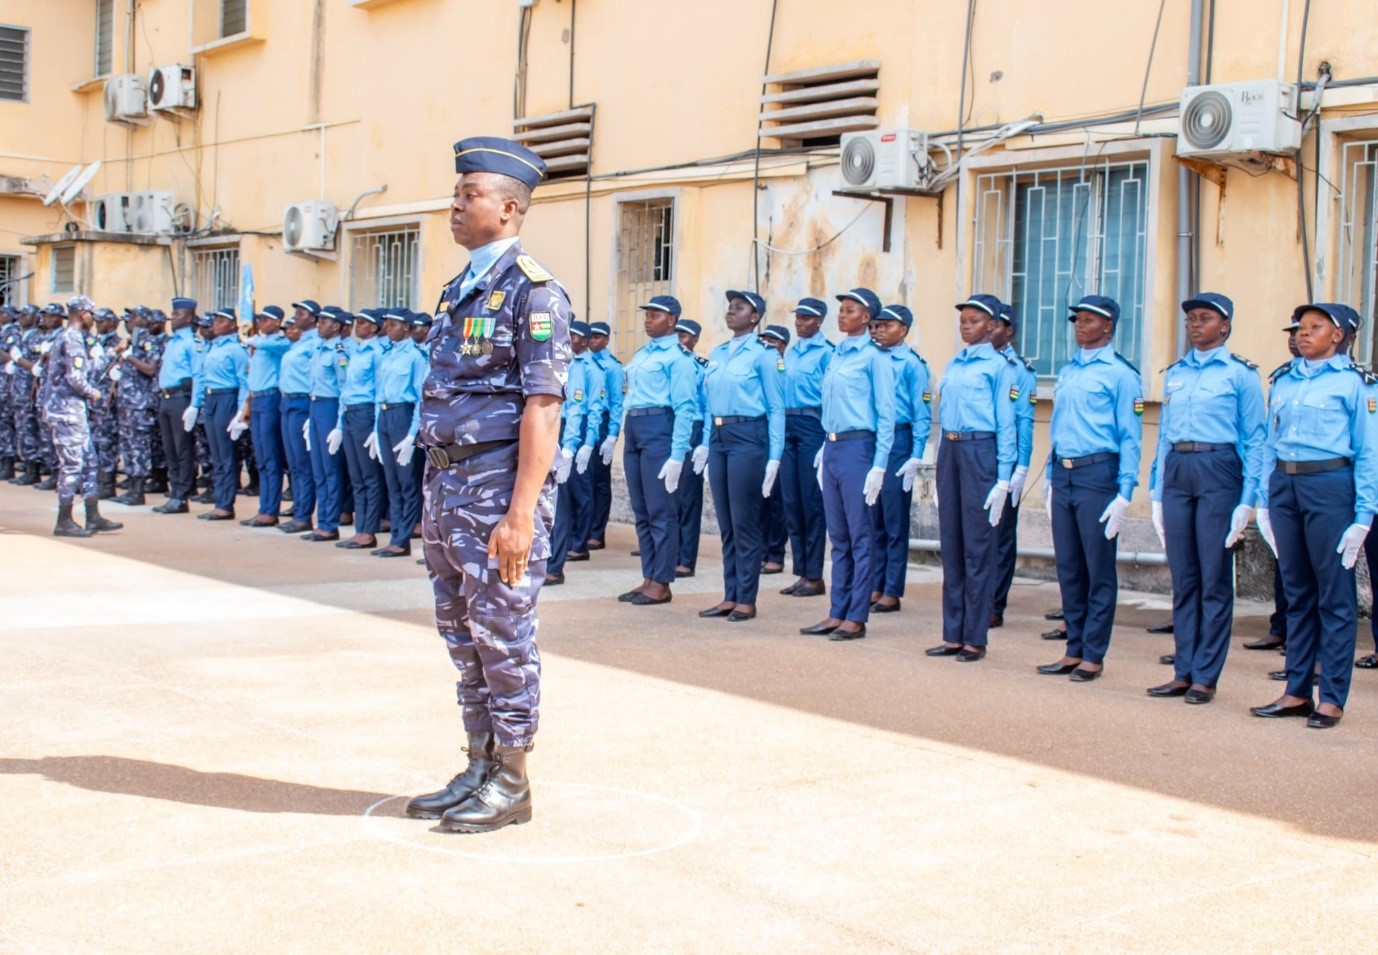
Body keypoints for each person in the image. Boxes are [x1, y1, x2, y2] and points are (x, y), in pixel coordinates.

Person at [405, 135, 571, 833]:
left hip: (498, 490)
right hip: (448, 488)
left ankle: (513, 779)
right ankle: (478, 761)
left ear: (507, 208)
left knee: (502, 634)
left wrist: (521, 513)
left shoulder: (533, 292)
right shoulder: (461, 287)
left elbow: (542, 405)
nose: (455, 203)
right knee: (462, 634)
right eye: (456, 191)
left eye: (468, 193)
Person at [1252, 303, 1378, 729]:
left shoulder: (1356, 385)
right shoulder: (1284, 380)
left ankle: (1333, 697)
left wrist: (1364, 515)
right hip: (1286, 487)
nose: (1303, 334)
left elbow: (1367, 453)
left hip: (1330, 487)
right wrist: (1265, 498)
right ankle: (1296, 690)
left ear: (1338, 335)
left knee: (1334, 595)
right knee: (1297, 591)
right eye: (1300, 328)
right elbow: (1271, 441)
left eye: (1314, 328)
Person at [1144, 293, 1265, 705]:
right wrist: (1156, 491)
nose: (1195, 325)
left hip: (1219, 468)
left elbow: (1255, 440)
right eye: (1191, 319)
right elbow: (1162, 436)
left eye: (1204, 318)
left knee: (1214, 577)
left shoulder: (1241, 375)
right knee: (1184, 577)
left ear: (1225, 326)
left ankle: (1205, 676)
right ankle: (1184, 669)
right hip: (1179, 468)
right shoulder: (1175, 374)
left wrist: (1249, 499)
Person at [1037, 295, 1143, 682]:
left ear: (1108, 327)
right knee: (1068, 566)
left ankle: (1093, 654)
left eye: (1089, 320)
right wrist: (1050, 477)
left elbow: (1130, 436)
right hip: (1064, 474)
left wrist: (1125, 491)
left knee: (1098, 568)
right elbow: (1059, 428)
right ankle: (1073, 647)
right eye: (1077, 319)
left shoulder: (1120, 374)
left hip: (1098, 474)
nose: (1080, 325)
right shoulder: (1068, 371)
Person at [923, 295, 1018, 661]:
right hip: (951, 450)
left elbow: (1006, 425)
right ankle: (952, 633)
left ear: (992, 326)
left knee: (978, 547)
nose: (966, 325)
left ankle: (974, 637)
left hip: (981, 451)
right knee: (952, 545)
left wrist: (1004, 478)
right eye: (963, 319)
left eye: (975, 320)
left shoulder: (999, 368)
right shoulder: (955, 364)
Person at [800, 288, 895, 641]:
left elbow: (887, 414)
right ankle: (836, 610)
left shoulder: (875, 358)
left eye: (850, 310)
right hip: (834, 447)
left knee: (860, 536)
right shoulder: (836, 355)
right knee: (838, 536)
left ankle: (856, 615)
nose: (842, 315)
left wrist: (879, 464)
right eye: (841, 309)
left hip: (860, 449)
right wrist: (826, 445)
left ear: (867, 317)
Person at [694, 290, 785, 622]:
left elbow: (776, 408)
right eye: (729, 306)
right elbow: (709, 406)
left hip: (749, 436)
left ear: (755, 316)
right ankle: (730, 594)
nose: (731, 311)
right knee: (727, 522)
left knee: (745, 520)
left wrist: (774, 456)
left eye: (740, 307)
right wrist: (705, 443)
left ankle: (747, 598)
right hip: (719, 437)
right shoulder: (718, 354)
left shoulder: (764, 355)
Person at [618, 295, 698, 606]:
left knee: (661, 510)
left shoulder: (679, 358)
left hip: (659, 429)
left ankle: (662, 582)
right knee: (642, 510)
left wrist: (678, 454)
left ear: (672, 321)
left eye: (655, 315)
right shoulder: (642, 354)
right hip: (636, 428)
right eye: (647, 314)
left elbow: (685, 408)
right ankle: (648, 576)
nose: (648, 320)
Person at [868, 303, 932, 615]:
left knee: (894, 520)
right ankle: (876, 583)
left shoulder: (912, 364)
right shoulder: (872, 358)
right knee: (874, 518)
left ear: (903, 330)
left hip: (899, 439)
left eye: (887, 325)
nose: (879, 330)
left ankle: (892, 589)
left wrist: (916, 455)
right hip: (874, 439)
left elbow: (922, 414)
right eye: (877, 325)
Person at [40, 295, 122, 537]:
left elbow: (87, 369)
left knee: (89, 462)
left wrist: (112, 353)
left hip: (74, 410)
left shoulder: (75, 339)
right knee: (73, 465)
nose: (93, 318)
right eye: (91, 314)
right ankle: (63, 520)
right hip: (65, 411)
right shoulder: (71, 338)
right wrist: (92, 392)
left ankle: (93, 515)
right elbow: (76, 378)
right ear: (81, 314)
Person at [989, 302, 1038, 627]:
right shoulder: (973, 363)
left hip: (1004, 460)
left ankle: (994, 604)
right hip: (975, 456)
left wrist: (1021, 468)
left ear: (1009, 331)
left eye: (997, 325)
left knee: (1001, 536)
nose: (990, 329)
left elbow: (1024, 421)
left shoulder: (1019, 370)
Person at [547, 320, 604, 584]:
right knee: (548, 500)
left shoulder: (586, 368)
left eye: (578, 337)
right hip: (552, 428)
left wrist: (574, 448)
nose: (572, 340)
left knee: (565, 504)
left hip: (570, 433)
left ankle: (556, 566)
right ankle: (548, 559)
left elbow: (585, 411)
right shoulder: (557, 361)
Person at [373, 309, 428, 557]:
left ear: (406, 327)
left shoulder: (415, 357)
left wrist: (411, 435)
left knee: (407, 482)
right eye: (387, 324)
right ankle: (396, 534)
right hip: (385, 415)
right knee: (392, 481)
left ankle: (402, 538)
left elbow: (420, 398)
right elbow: (379, 394)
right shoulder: (387, 355)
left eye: (393, 325)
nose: (388, 329)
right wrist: (376, 428)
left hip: (402, 416)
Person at [186, 308, 249, 520]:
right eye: (216, 320)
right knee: (216, 454)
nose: (216, 324)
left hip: (227, 398)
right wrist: (196, 404)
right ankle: (220, 500)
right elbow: (201, 377)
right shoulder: (211, 347)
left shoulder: (236, 349)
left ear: (233, 325)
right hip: (211, 399)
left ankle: (225, 504)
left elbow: (243, 382)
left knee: (226, 453)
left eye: (222, 320)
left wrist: (241, 411)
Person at [334, 308, 388, 550]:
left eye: (364, 323)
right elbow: (345, 387)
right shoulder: (354, 350)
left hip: (366, 413)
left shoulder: (377, 352)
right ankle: (360, 529)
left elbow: (379, 390)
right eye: (357, 322)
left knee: (369, 476)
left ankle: (368, 530)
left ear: (375, 328)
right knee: (356, 476)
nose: (358, 326)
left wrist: (376, 426)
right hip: (350, 412)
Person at [235, 305, 290, 526]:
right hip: (256, 399)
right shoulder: (258, 344)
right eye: (260, 319)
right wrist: (246, 404)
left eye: (266, 320)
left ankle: (271, 510)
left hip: (270, 398)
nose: (262, 323)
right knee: (262, 458)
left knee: (271, 456)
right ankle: (263, 508)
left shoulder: (278, 342)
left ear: (277, 322)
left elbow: (268, 344)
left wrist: (252, 340)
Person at [302, 306, 352, 542]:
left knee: (330, 469)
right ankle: (321, 520)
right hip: (315, 406)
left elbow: (344, 389)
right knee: (318, 468)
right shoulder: (318, 349)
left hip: (330, 407)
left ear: (337, 326)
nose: (319, 324)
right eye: (319, 321)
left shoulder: (338, 352)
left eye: (325, 321)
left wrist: (340, 424)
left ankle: (330, 523)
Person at [151, 297, 202, 514]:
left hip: (182, 398)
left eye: (178, 314)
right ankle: (174, 492)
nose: (173, 318)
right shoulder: (172, 342)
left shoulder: (193, 343)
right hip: (166, 397)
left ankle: (182, 496)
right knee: (169, 449)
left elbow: (199, 375)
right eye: (173, 314)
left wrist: (195, 404)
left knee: (183, 449)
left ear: (189, 317)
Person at [275, 303, 320, 534]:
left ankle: (304, 516)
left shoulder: (314, 344)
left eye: (301, 314)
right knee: (293, 462)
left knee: (302, 462)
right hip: (288, 401)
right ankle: (298, 510)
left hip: (302, 402)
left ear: (314, 319)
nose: (296, 318)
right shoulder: (299, 342)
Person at [110, 309, 162, 505]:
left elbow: (150, 369)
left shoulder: (149, 341)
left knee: (139, 447)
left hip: (140, 404)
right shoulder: (131, 341)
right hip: (126, 403)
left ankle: (138, 491)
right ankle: (131, 488)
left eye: (132, 317)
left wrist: (130, 357)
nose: (127, 321)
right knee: (128, 446)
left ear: (144, 320)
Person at [585, 320, 624, 550]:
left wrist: (612, 436)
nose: (593, 340)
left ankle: (597, 532)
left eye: (598, 337)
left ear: (607, 339)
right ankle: (583, 527)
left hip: (604, 422)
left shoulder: (612, 367)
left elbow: (617, 403)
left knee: (599, 481)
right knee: (584, 479)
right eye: (591, 336)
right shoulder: (583, 363)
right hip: (587, 421)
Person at [676, 317, 709, 578]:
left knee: (688, 499)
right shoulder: (669, 362)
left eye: (685, 335)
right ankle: (668, 551)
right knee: (667, 497)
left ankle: (686, 558)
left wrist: (705, 442)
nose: (679, 339)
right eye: (677, 334)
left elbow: (709, 408)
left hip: (693, 430)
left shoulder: (701, 367)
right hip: (669, 428)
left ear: (695, 340)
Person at [758, 324, 791, 577]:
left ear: (783, 346)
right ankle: (761, 551)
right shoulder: (761, 366)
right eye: (765, 340)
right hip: (760, 435)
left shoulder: (784, 368)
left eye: (774, 341)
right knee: (760, 499)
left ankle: (775, 554)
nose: (768, 344)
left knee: (778, 499)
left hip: (785, 436)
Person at [6, 306, 44, 486]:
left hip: (30, 391)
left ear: (36, 318)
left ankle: (33, 470)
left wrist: (19, 359)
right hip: (18, 391)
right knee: (22, 430)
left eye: (25, 314)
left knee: (30, 430)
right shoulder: (23, 336)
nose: (20, 317)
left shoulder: (38, 338)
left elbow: (39, 367)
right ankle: (27, 467)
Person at [90, 308, 122, 498]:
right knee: (93, 440)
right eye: (97, 321)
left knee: (107, 441)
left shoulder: (119, 344)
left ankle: (107, 482)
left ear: (113, 323)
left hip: (108, 401)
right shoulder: (94, 342)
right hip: (93, 399)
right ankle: (95, 479)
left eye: (103, 321)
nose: (99, 324)